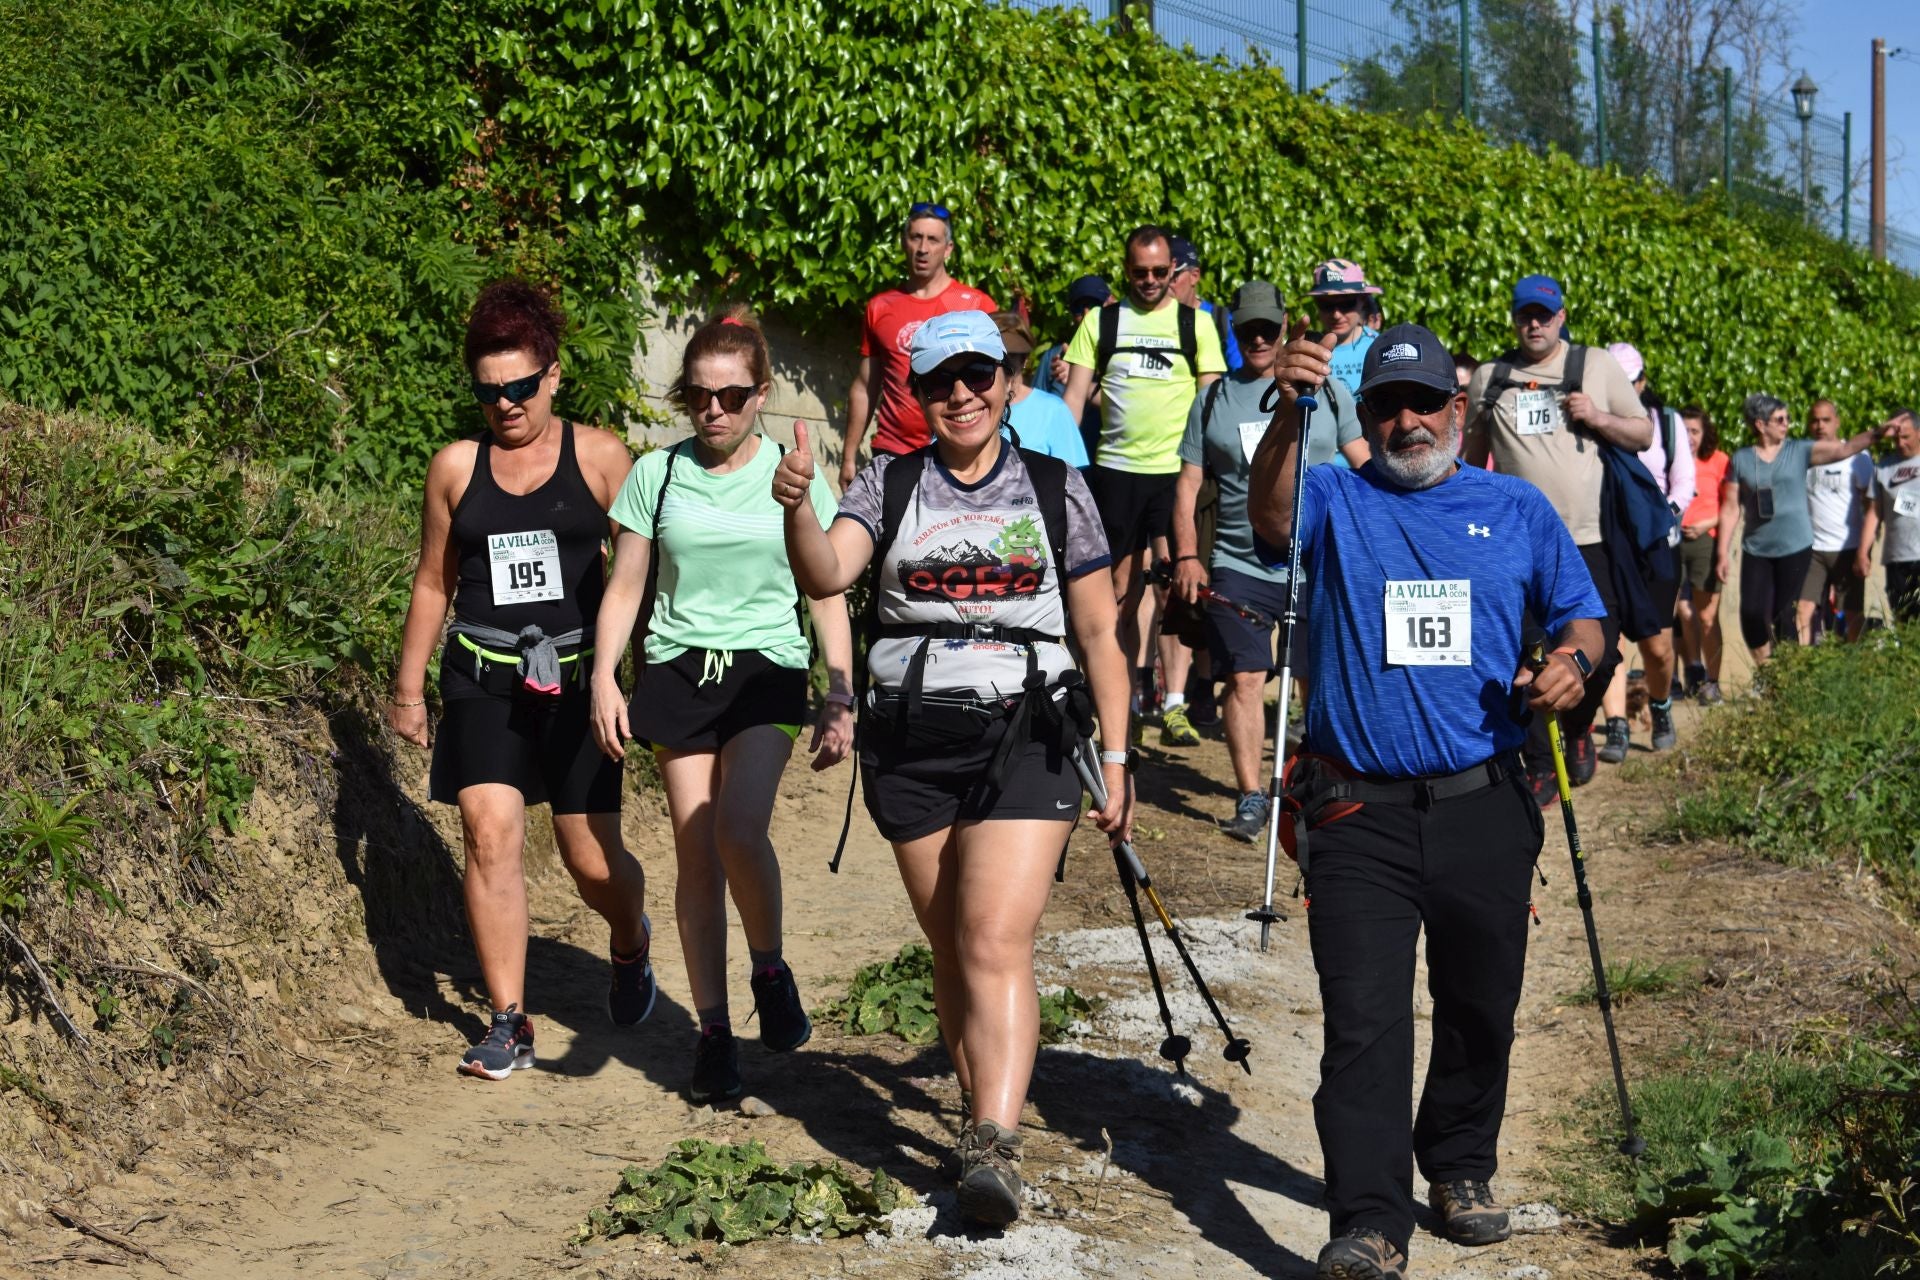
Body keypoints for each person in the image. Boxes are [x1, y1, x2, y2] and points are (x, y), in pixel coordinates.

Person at [1250, 324, 1605, 1280]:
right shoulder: (1333, 495)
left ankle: (1458, 1167)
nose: (1406, 421)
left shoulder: (1516, 508)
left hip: (1485, 800)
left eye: (1423, 402)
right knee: (1362, 1018)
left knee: (1480, 1001)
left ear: (1459, 408)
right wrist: (1290, 414)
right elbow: (1273, 521)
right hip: (1357, 809)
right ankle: (1369, 1218)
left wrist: (1573, 663)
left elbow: (1584, 615)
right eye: (1383, 406)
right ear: (1361, 416)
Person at [773, 310, 1132, 1228]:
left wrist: (1120, 756)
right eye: (940, 383)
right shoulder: (888, 481)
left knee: (991, 940)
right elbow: (826, 576)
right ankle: (982, 1124)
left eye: (978, 376)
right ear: (918, 396)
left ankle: (996, 1141)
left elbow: (1099, 631)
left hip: (1032, 733)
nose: (962, 396)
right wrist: (796, 509)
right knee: (950, 947)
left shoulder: (1057, 487)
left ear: (1008, 382)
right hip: (914, 739)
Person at [589, 310, 854, 1103]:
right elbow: (627, 584)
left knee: (739, 827)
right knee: (695, 851)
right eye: (699, 396)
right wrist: (605, 674)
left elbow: (828, 586)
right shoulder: (655, 473)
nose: (715, 411)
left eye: (733, 396)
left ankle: (769, 965)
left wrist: (840, 690)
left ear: (762, 395)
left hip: (767, 669)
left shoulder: (794, 470)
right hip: (677, 671)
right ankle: (713, 1034)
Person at [390, 278, 652, 1081]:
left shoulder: (604, 458)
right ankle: (509, 1021)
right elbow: (433, 581)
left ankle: (630, 938)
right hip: (484, 675)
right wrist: (407, 689)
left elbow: (640, 577)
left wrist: (635, 677)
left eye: (520, 387)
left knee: (588, 858)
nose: (505, 403)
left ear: (554, 375)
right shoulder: (454, 468)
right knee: (488, 834)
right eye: (488, 390)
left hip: (578, 679)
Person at [1170, 280, 1366, 841]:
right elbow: (1187, 487)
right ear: (1233, 331)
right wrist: (1187, 554)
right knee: (1246, 678)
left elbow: (1364, 465)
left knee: (1315, 680)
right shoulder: (1211, 399)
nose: (1258, 338)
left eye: (1267, 327)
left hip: (1314, 562)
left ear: (1285, 326)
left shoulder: (1330, 394)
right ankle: (1252, 796)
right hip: (1239, 561)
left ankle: (1318, 784)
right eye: (1247, 329)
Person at [1462, 274, 1651, 804]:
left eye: (1545, 314)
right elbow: (1473, 459)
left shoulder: (1594, 366)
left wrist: (1597, 416)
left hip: (1589, 539)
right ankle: (1541, 767)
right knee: (1527, 653)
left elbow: (1643, 432)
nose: (1535, 323)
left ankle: (1575, 728)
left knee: (1603, 651)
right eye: (1526, 314)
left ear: (1561, 316)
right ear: (1514, 318)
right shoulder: (1490, 378)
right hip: (1515, 544)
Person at [1061, 225, 1227, 745]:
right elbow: (1073, 403)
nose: (1151, 281)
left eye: (1161, 271)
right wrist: (1058, 469)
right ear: (1126, 269)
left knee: (1180, 587)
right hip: (1115, 472)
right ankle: (1116, 700)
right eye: (1140, 272)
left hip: (1177, 476)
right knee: (1116, 596)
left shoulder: (1195, 325)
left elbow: (1211, 406)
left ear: (1173, 271)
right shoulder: (1103, 322)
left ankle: (1174, 700)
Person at [1715, 395, 1887, 664]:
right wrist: (1723, 553)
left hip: (1797, 546)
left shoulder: (1799, 451)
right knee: (1751, 613)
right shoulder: (1742, 459)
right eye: (1780, 419)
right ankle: (1767, 671)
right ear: (1760, 424)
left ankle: (1793, 676)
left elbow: (1844, 450)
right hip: (1757, 547)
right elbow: (1730, 508)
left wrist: (1877, 433)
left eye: (1788, 418)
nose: (1787, 424)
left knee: (1788, 615)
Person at [839, 201, 996, 489]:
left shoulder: (976, 306)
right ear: (904, 243)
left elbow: (998, 381)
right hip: (892, 452)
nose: (923, 248)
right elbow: (865, 386)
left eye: (933, 239)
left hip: (957, 453)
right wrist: (849, 454)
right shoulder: (881, 307)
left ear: (948, 249)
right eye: (916, 237)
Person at [1595, 343, 1694, 758]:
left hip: (1656, 547)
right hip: (1608, 544)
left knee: (1657, 645)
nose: (1625, 388)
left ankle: (1661, 704)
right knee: (1609, 638)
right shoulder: (1591, 424)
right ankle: (1616, 725)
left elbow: (1684, 483)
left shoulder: (1666, 424)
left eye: (1630, 380)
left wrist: (1655, 519)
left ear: (1642, 381)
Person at [1799, 399, 1874, 643]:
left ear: (1837, 422)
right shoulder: (1802, 458)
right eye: (1814, 420)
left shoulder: (1858, 458)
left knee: (1852, 614)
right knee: (1802, 612)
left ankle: (1853, 669)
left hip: (1847, 547)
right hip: (1813, 550)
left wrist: (1866, 549)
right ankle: (1801, 670)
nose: (1820, 426)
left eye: (1826, 420)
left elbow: (1870, 506)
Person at [1674, 407, 1730, 703]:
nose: (1690, 437)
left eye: (1695, 431)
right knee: (1680, 611)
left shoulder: (1719, 461)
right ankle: (1691, 670)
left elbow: (1732, 506)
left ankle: (1713, 680)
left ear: (1705, 432)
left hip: (1706, 542)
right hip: (1674, 540)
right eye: (1684, 431)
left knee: (1707, 616)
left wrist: (1708, 524)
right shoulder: (1671, 460)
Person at [993, 311, 1089, 468]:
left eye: (1008, 358)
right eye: (993, 357)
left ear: (1025, 359)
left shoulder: (1053, 410)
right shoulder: (968, 408)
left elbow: (1072, 478)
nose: (1001, 366)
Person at [1032, 273, 1113, 455]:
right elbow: (1037, 409)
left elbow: (1127, 402)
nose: (1086, 314)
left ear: (1109, 305)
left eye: (1094, 305)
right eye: (1079, 307)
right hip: (1066, 457)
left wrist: (1075, 380)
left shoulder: (1119, 356)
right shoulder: (1053, 357)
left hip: (1107, 458)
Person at [1857, 409, 1920, 622]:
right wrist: (1863, 551)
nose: (1900, 443)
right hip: (1898, 557)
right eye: (1896, 438)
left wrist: (1906, 504)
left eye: (1906, 437)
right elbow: (1875, 512)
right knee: (1904, 621)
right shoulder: (1884, 467)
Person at [1309, 259, 1383, 397]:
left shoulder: (1380, 347)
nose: (1336, 315)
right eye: (1326, 305)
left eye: (1346, 304)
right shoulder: (1310, 351)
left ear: (1363, 301)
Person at [1169, 235, 1243, 371]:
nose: (1164, 283)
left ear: (1194, 276)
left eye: (1173, 276)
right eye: (1160, 274)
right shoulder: (1143, 319)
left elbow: (1240, 376)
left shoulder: (1221, 320)